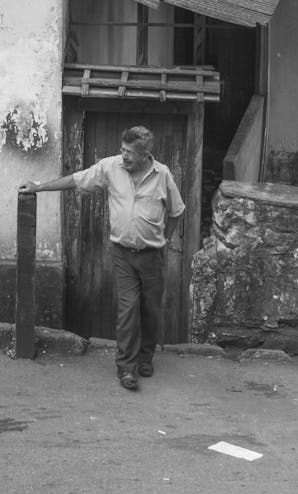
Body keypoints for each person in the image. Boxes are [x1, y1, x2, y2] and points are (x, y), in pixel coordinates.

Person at [19, 126, 184, 391]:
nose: (125, 156)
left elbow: (176, 211)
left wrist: (165, 240)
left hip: (153, 255)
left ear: (145, 155)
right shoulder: (111, 167)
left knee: (151, 310)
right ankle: (126, 368)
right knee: (128, 309)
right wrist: (39, 188)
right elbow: (77, 179)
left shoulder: (162, 174)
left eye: (130, 153)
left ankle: (145, 356)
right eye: (123, 150)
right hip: (123, 255)